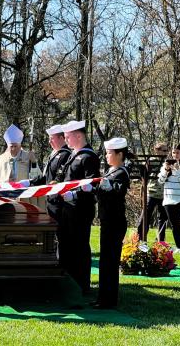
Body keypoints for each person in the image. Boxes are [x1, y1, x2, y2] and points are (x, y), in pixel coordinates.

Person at [59, 120, 100, 294]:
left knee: (80, 247)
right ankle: (70, 282)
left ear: (78, 135)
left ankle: (82, 284)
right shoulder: (73, 155)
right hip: (68, 208)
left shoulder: (89, 157)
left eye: (68, 137)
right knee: (69, 246)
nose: (66, 140)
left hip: (81, 209)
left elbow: (92, 186)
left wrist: (74, 195)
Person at [93, 137, 131, 309]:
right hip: (107, 220)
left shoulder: (122, 172)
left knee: (110, 261)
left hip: (115, 222)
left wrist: (109, 187)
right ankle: (102, 297)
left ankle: (109, 300)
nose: (106, 156)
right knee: (105, 261)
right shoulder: (110, 172)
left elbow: (118, 191)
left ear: (120, 154)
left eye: (109, 153)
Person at [0, 124, 43, 208]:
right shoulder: (2, 158)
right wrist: (6, 181)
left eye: (15, 146)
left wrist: (33, 162)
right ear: (8, 146)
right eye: (11, 146)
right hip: (6, 198)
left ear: (20, 145)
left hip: (25, 198)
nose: (13, 149)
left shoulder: (27, 156)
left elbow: (37, 178)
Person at [29, 124, 71, 223]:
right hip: (51, 199)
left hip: (59, 201)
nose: (49, 141)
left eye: (52, 138)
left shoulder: (65, 154)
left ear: (61, 138)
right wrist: (30, 182)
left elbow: (58, 178)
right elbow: (46, 176)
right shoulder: (55, 153)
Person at [137, 142, 169, 242]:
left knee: (162, 218)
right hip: (151, 192)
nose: (166, 153)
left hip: (164, 194)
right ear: (157, 150)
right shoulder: (150, 160)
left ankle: (160, 240)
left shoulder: (168, 162)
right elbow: (143, 176)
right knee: (145, 216)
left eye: (167, 150)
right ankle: (140, 238)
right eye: (164, 150)